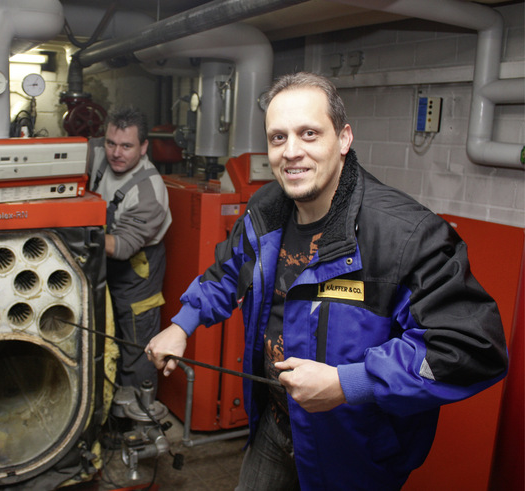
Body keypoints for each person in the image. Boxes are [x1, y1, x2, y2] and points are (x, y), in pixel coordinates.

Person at [145, 72, 508, 490]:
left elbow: (473, 348)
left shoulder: (405, 235)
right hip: (275, 427)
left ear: (343, 139)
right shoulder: (267, 209)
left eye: (309, 133)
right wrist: (181, 324)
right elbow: (229, 271)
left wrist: (347, 383)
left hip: (354, 451)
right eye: (278, 138)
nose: (291, 152)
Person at [88, 106, 172, 396]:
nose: (115, 153)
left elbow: (122, 246)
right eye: (111, 143)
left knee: (137, 346)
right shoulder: (96, 153)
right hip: (100, 261)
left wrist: (69, 231)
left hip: (137, 271)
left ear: (144, 147)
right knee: (99, 337)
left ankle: (136, 423)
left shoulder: (150, 192)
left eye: (126, 146)